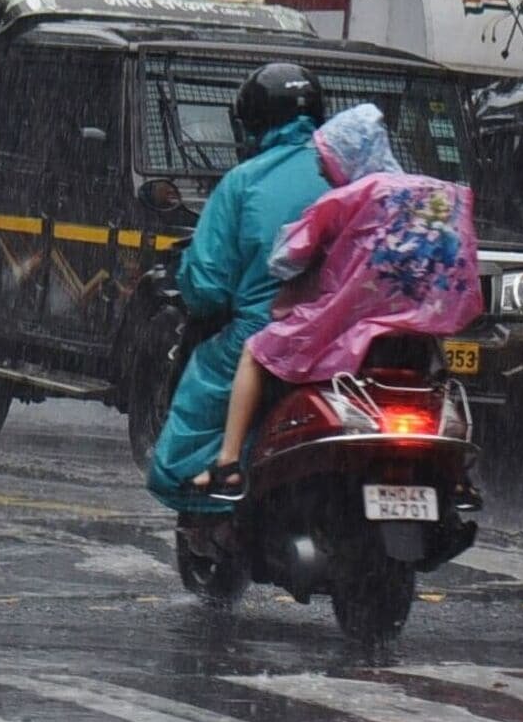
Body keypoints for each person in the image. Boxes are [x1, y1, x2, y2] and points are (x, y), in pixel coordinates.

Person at [191, 103, 485, 497]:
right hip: (419, 334)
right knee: (439, 384)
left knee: (255, 353)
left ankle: (228, 464)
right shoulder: (436, 194)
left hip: (351, 326)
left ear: (347, 156)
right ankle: (455, 474)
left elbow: (286, 257)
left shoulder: (352, 195)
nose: (322, 172)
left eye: (326, 161)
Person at [147, 63, 330, 542]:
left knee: (199, 398)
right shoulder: (354, 174)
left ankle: (215, 497)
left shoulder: (244, 183)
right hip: (351, 336)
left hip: (265, 334)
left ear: (251, 121)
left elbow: (206, 287)